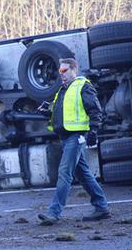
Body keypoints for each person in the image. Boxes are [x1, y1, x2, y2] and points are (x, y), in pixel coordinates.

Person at [38, 58, 110, 225]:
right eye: (59, 71)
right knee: (83, 175)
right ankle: (101, 207)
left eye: (64, 71)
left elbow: (95, 110)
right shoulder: (63, 90)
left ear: (73, 70)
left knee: (64, 173)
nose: (60, 74)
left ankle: (53, 213)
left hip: (75, 137)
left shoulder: (83, 86)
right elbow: (61, 114)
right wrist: (47, 112)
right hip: (65, 138)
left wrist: (93, 130)